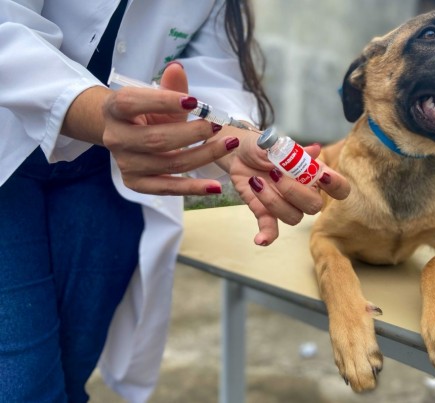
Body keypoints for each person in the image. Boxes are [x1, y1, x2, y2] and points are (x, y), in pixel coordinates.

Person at [0, 1, 350, 402]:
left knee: (71, 363)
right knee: (22, 386)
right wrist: (95, 111)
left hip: (107, 171)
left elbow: (214, 71)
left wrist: (232, 137)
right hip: (8, 148)